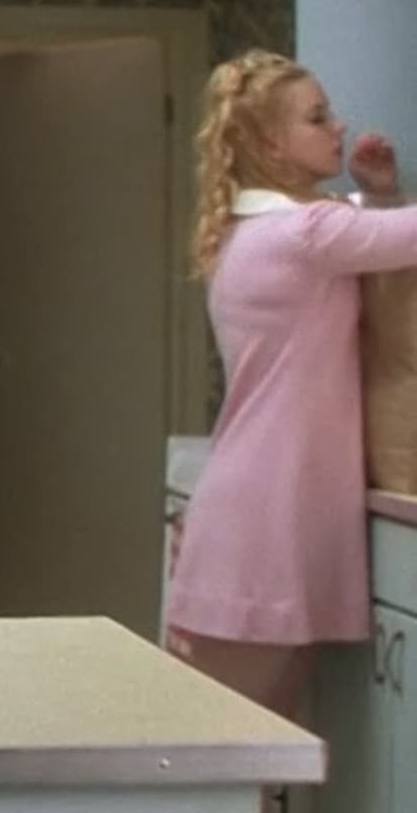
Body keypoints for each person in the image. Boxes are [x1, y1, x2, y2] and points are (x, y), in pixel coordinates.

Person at [166, 48, 415, 735]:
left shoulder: (253, 233)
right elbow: (389, 238)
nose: (338, 127)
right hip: (270, 518)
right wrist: (383, 199)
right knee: (222, 751)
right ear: (271, 142)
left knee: (238, 752)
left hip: (255, 505)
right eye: (317, 117)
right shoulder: (306, 234)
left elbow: (369, 237)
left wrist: (380, 192)